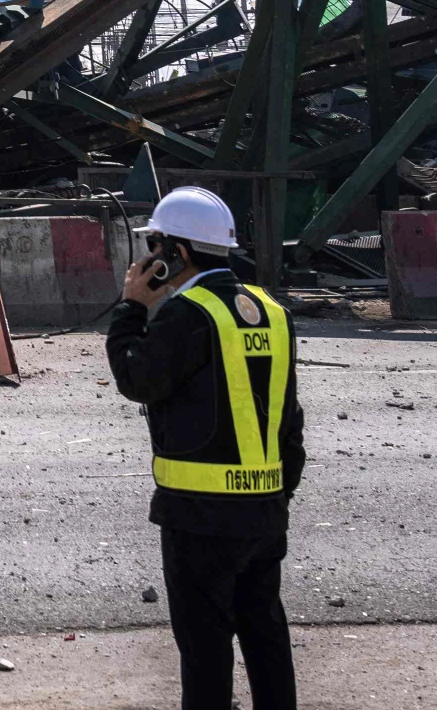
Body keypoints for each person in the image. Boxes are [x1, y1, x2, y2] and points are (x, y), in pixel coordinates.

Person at [106, 186, 305, 710]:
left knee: (205, 649)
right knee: (265, 635)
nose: (148, 259)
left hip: (199, 519)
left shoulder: (188, 313)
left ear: (178, 253)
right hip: (264, 512)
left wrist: (130, 308)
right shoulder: (272, 311)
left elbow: (136, 379)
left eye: (154, 248)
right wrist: (275, 496)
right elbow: (291, 424)